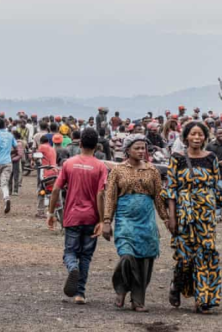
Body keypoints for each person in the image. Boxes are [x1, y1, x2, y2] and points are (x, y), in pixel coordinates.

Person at [164, 121, 222, 314]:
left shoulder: (211, 158)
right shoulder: (177, 158)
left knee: (206, 254)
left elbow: (216, 187)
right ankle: (176, 285)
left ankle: (203, 299)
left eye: (200, 134)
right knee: (185, 258)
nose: (197, 138)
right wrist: (172, 217)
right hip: (184, 215)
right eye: (193, 134)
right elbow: (171, 189)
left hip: (205, 215)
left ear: (205, 137)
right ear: (186, 137)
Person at [102, 134, 168, 312]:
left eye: (143, 148)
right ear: (127, 150)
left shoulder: (152, 170)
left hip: (146, 221)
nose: (141, 151)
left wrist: (166, 219)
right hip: (125, 219)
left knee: (144, 261)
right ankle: (121, 287)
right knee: (127, 255)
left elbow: (159, 198)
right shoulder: (118, 170)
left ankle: (138, 301)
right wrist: (107, 221)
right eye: (137, 148)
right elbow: (110, 196)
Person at [46, 128, 108, 304]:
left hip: (72, 216)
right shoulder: (100, 166)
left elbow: (57, 189)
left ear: (79, 144)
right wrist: (102, 220)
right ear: (97, 146)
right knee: (86, 256)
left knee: (70, 252)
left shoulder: (68, 164)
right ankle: (80, 293)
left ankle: (72, 268)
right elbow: (100, 194)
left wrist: (51, 213)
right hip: (92, 217)